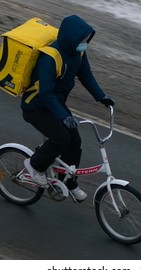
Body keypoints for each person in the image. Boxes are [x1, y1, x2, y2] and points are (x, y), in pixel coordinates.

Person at [21, 15, 115, 201]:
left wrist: (101, 96)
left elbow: (86, 75)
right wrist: (64, 117)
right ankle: (35, 166)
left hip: (56, 104)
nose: (85, 43)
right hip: (36, 106)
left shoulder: (78, 53)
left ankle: (68, 181)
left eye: (86, 39)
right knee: (61, 138)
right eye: (82, 39)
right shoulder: (50, 58)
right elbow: (45, 94)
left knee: (75, 141)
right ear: (71, 38)